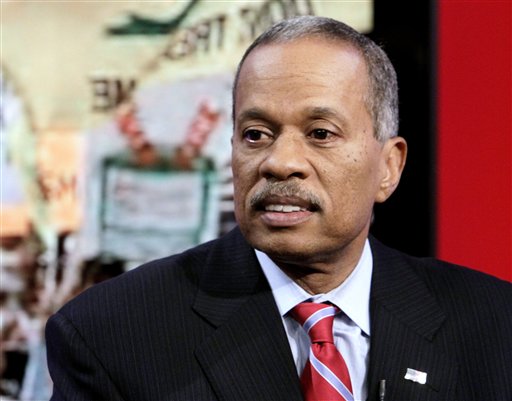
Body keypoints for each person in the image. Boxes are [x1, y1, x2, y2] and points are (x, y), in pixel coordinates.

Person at [46, 16, 511, 401]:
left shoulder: (495, 326)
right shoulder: (110, 334)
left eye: (320, 134)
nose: (280, 162)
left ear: (389, 167)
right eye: (256, 135)